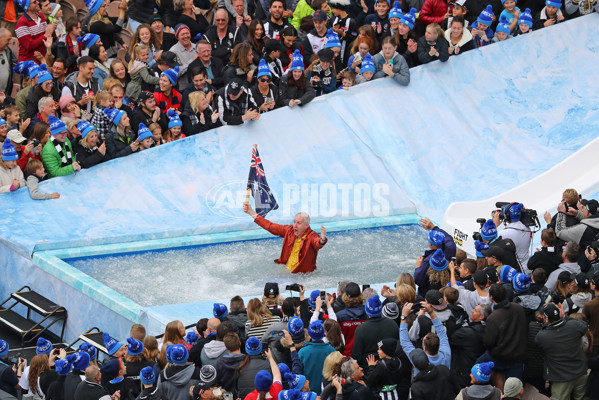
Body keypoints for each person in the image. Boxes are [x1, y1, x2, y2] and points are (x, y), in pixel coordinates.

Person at [242, 202, 327, 273]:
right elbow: (270, 226)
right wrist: (251, 212)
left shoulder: (312, 236)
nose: (295, 225)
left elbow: (317, 243)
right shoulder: (289, 231)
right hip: (286, 272)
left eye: (299, 223)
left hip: (303, 276)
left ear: (306, 225)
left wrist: (322, 240)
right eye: (294, 222)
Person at [535, 303, 588, 400]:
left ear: (546, 319)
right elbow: (584, 325)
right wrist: (565, 317)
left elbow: (541, 350)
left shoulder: (542, 336)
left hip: (560, 377)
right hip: (580, 371)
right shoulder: (574, 325)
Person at [479, 284, 527, 387]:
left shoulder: (493, 318)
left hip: (500, 357)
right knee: (515, 387)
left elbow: (488, 342)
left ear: (491, 297)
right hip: (518, 355)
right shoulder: (518, 308)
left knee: (478, 366)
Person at [169, 24, 196, 89]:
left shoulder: (197, 47)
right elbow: (175, 73)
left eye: (187, 33)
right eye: (182, 34)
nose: (186, 36)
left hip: (200, 85)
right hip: (184, 88)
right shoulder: (173, 51)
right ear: (177, 37)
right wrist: (192, 60)